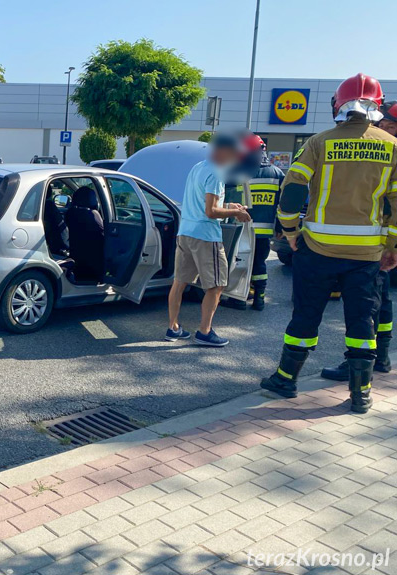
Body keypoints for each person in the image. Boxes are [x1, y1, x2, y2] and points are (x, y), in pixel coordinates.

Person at [260, 73, 397, 414]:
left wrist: (290, 231)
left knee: (306, 315)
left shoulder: (320, 141)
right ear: (376, 106)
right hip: (367, 255)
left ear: (338, 104)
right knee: (362, 322)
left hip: (318, 249)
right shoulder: (393, 146)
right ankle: (360, 393)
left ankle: (285, 379)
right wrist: (392, 246)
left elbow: (292, 190)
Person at [321, 100, 397, 381]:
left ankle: (360, 364)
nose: (381, 129)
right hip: (382, 237)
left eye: (387, 126)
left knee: (366, 305)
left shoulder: (387, 148)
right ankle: (381, 357)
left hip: (377, 237)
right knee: (380, 300)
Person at [166, 131, 252, 347]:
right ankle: (205, 332)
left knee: (179, 282)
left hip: (185, 231)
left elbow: (203, 204)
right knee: (216, 286)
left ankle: (173, 328)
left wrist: (229, 206)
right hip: (205, 236)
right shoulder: (215, 173)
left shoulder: (198, 168)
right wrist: (236, 213)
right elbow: (211, 211)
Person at [221, 135, 285, 311]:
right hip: (264, 231)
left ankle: (238, 299)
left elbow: (224, 195)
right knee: (259, 263)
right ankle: (259, 299)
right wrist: (281, 227)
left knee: (239, 262)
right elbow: (282, 203)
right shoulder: (277, 173)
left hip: (242, 229)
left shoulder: (237, 172)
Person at [65, 186, 104, 281]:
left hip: (75, 255)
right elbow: (103, 236)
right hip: (93, 261)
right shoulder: (95, 215)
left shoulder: (70, 213)